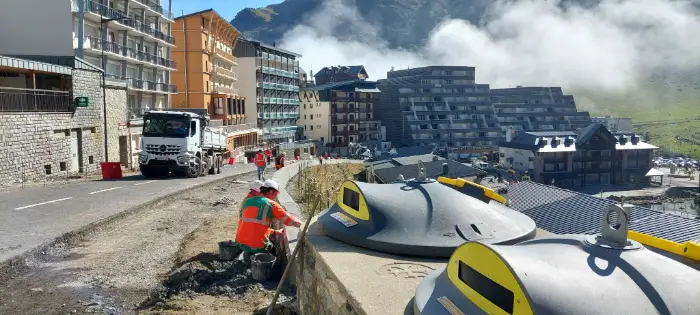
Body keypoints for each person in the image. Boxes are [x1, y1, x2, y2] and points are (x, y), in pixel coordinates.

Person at [235, 180, 302, 261]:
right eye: (276, 194)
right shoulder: (271, 204)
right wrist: (304, 225)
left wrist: (273, 232)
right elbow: (290, 220)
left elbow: (253, 225)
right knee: (270, 248)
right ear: (271, 191)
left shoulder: (247, 201)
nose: (276, 197)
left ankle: (246, 258)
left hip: (241, 243)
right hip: (257, 246)